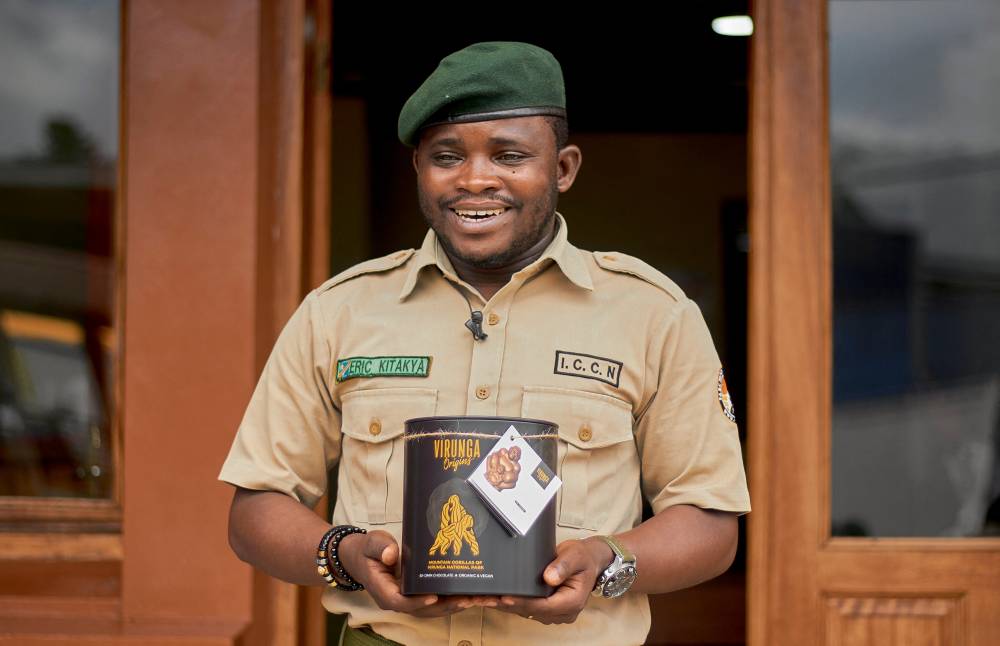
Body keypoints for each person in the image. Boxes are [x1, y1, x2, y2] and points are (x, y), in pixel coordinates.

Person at [220, 41, 751, 646]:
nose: (475, 179)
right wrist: (344, 555)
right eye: (447, 157)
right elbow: (255, 511)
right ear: (418, 168)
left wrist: (606, 562)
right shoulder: (338, 312)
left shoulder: (652, 315)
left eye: (510, 155)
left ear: (563, 168)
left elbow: (711, 526)